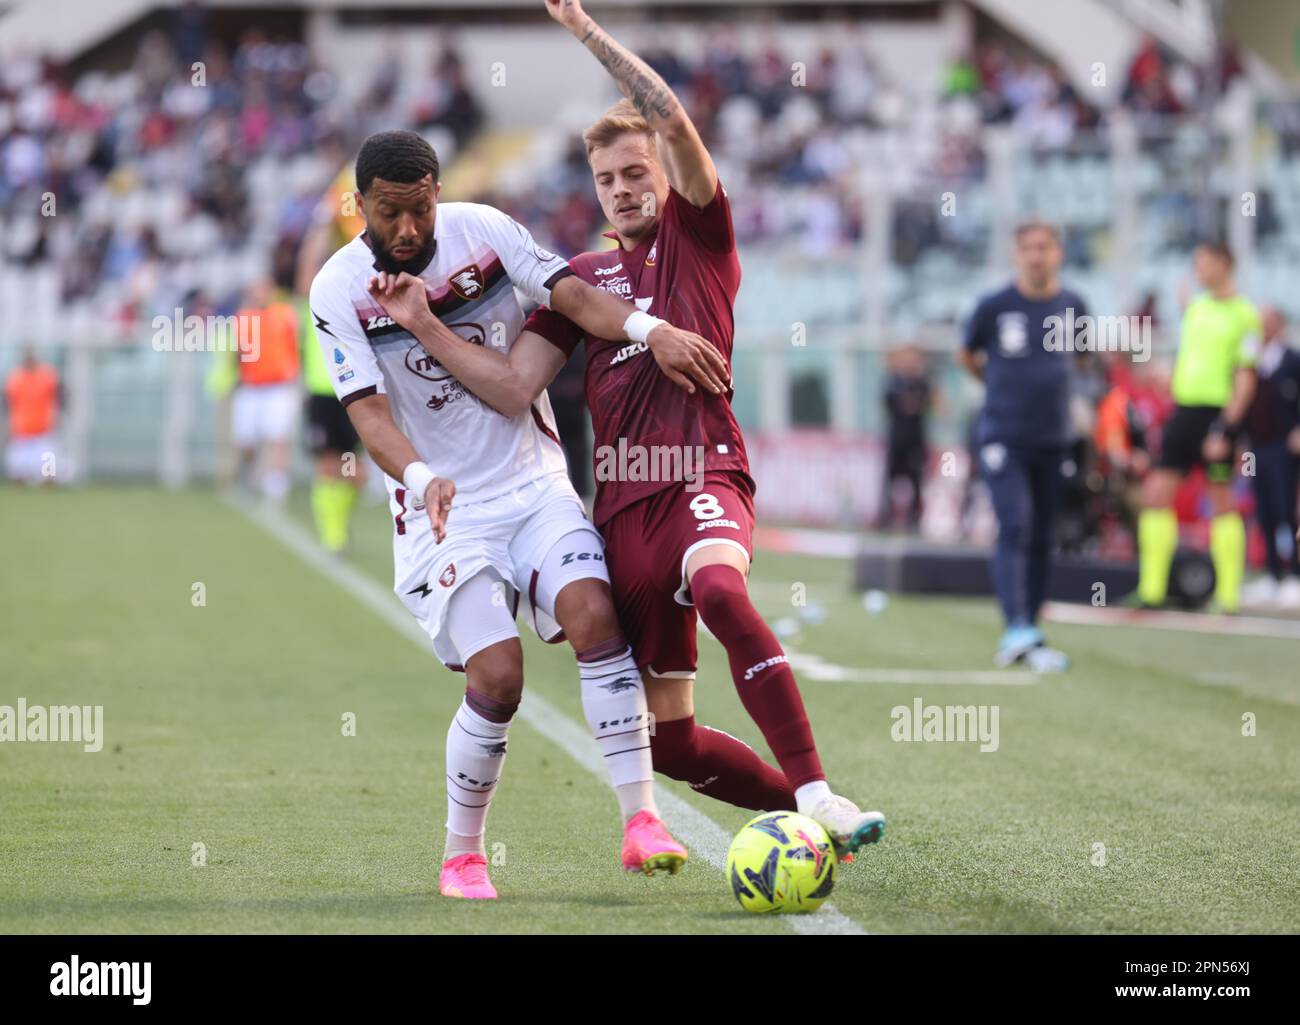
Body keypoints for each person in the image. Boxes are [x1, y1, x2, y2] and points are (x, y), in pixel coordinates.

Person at [379, 0, 888, 860]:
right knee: (670, 742)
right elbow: (512, 386)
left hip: (700, 473)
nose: (623, 186)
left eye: (634, 170)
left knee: (723, 590)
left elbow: (675, 122)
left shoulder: (701, 237)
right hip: (619, 512)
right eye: (607, 178)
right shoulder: (580, 279)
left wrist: (585, 32)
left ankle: (816, 792)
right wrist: (428, 330)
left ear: (662, 174)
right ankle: (817, 834)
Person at [313, 129, 730, 899]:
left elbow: (570, 294)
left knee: (595, 617)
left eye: (417, 210)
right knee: (498, 676)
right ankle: (462, 854)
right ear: (361, 206)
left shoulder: (487, 231)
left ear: (437, 190)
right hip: (443, 506)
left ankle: (642, 822)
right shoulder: (338, 288)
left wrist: (650, 328)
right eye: (386, 213)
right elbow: (368, 414)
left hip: (533, 482)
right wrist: (422, 473)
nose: (406, 230)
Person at [959, 221, 1086, 670]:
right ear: (1016, 254)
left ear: (1059, 253)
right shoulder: (995, 306)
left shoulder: (1073, 306)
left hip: (1053, 438)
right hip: (1002, 435)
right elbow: (967, 353)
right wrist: (997, 386)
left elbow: (1083, 360)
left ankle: (1030, 629)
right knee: (1016, 523)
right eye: (1028, 247)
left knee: (1043, 534)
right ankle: (1015, 625)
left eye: (1045, 247)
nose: (1037, 255)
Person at [1136, 242, 1258, 613]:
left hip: (1215, 415)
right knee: (1156, 494)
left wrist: (1224, 428)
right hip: (1183, 413)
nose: (1197, 270)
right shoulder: (1197, 309)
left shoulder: (1244, 315)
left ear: (1224, 265)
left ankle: (1229, 597)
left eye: (1203, 263)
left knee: (1220, 497)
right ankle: (1152, 590)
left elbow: (1245, 379)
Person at [1240, 307, 1300, 609]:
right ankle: (1273, 573)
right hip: (1257, 446)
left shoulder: (1292, 359)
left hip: (1283, 446)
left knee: (1286, 509)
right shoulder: (1251, 361)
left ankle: (1294, 576)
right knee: (1264, 510)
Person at [232, 278, 301, 503]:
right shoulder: (243, 318)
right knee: (247, 440)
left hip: (278, 386)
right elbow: (237, 353)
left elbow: (296, 347)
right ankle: (247, 479)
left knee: (277, 437)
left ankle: (276, 487)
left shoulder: (284, 314)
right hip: (252, 386)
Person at [880, 345, 932, 531]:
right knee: (890, 479)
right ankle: (886, 516)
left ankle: (914, 518)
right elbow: (892, 403)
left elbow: (928, 403)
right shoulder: (893, 381)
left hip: (915, 440)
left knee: (916, 479)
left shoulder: (922, 382)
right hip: (897, 439)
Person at [3, 348, 61, 485]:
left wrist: (58, 415)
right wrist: (6, 423)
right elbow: (7, 403)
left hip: (43, 428)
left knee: (49, 470)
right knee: (18, 472)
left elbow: (59, 396)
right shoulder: (15, 378)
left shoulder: (47, 376)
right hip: (21, 430)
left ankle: (48, 488)